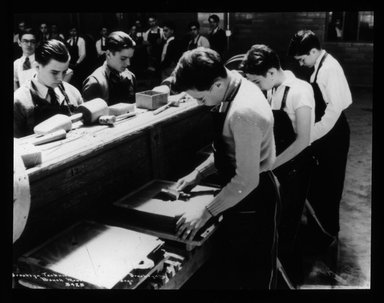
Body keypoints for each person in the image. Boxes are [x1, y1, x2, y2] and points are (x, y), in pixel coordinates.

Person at [154, 47, 279, 289]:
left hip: (254, 199)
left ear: (217, 84)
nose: (201, 104)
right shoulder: (234, 81)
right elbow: (230, 148)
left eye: (201, 98)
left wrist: (204, 212)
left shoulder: (243, 111)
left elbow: (246, 181)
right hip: (242, 191)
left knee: (251, 278)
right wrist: (197, 174)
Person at [240, 44, 316, 286]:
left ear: (271, 72)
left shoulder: (300, 91)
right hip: (278, 163)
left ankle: (289, 278)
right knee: (274, 223)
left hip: (295, 166)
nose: (255, 87)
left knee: (288, 226)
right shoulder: (272, 87)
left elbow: (303, 139)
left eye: (256, 81)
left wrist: (268, 165)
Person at [287, 30, 352, 255]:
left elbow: (333, 112)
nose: (302, 64)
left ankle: (328, 234)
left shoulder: (330, 69)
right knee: (319, 183)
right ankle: (319, 230)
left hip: (333, 133)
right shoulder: (319, 64)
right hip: (323, 133)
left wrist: (307, 136)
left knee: (331, 185)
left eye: (303, 59)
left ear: (314, 51)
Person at [14, 39, 83, 138]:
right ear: (37, 67)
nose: (60, 78)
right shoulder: (18, 102)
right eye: (54, 72)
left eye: (64, 72)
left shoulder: (73, 93)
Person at [82, 31, 136, 105]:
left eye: (130, 58)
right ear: (108, 54)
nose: (128, 63)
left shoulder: (130, 76)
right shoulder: (95, 83)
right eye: (123, 58)